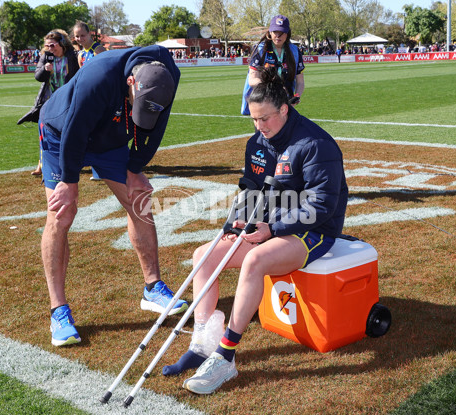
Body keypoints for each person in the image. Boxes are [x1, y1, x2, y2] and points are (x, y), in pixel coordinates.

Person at [164, 67, 348, 394]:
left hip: (314, 231)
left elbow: (323, 207)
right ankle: (202, 344)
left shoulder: (316, 144)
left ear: (284, 109)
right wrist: (237, 222)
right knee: (203, 256)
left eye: (265, 119)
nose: (259, 127)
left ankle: (225, 356)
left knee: (254, 262)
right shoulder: (257, 143)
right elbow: (250, 190)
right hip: (270, 226)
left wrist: (272, 227)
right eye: (253, 120)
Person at [38, 45, 188, 346]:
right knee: (61, 214)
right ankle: (59, 311)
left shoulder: (168, 73)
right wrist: (69, 181)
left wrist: (135, 168)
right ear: (131, 83)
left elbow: (155, 128)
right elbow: (75, 131)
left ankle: (152, 288)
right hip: (61, 133)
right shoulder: (99, 76)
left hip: (111, 137)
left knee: (139, 199)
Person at [18, 29, 79, 175]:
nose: (50, 49)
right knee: (44, 132)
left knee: (68, 132)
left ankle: (69, 161)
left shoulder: (71, 56)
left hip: (67, 100)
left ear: (62, 44)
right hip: (49, 101)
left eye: (52, 45)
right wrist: (45, 70)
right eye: (47, 46)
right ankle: (42, 164)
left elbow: (78, 76)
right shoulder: (45, 57)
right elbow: (38, 77)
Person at [241, 15, 305, 115]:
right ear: (270, 32)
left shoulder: (295, 51)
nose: (278, 36)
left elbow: (300, 81)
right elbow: (252, 80)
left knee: (287, 130)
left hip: (285, 102)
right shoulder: (260, 49)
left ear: (287, 33)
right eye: (275, 32)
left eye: (281, 32)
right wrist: (274, 88)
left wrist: (296, 96)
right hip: (263, 102)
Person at [71, 20, 107, 181]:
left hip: (101, 96)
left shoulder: (98, 50)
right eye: (77, 36)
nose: (79, 38)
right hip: (88, 96)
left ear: (90, 34)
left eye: (82, 35)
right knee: (89, 132)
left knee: (102, 132)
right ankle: (96, 169)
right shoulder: (80, 54)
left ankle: (104, 168)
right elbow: (82, 75)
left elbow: (108, 71)